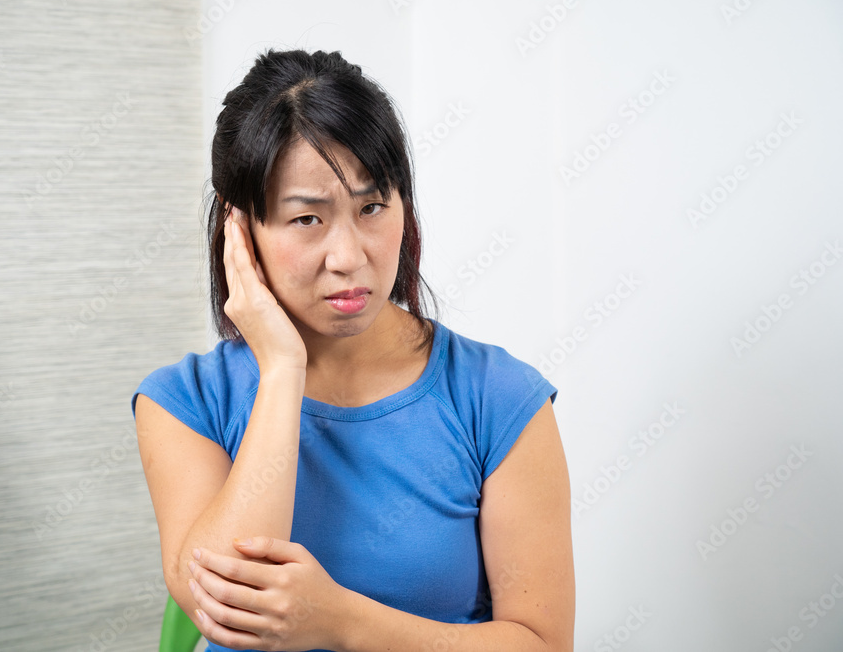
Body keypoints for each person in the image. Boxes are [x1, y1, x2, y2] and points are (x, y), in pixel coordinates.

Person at [132, 48, 575, 652]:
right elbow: (229, 607)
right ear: (240, 230)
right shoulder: (185, 402)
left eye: (371, 208)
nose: (348, 256)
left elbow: (542, 644)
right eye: (307, 219)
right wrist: (283, 369)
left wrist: (339, 620)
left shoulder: (498, 398)